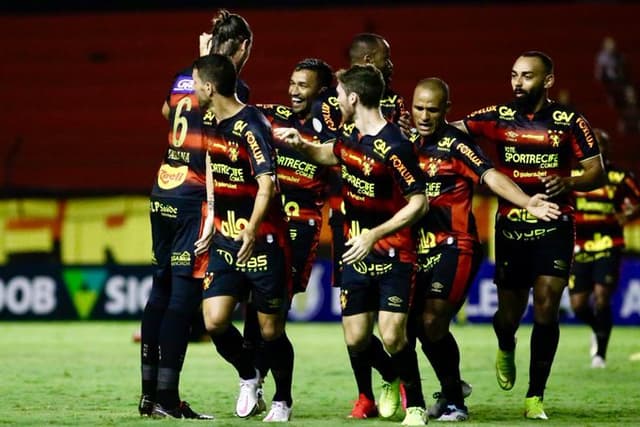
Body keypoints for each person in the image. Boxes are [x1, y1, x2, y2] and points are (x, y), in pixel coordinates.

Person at [453, 51, 606, 420]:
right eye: (513, 75)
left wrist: (567, 181)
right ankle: (506, 345)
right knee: (508, 315)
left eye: (527, 76)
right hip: (511, 225)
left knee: (548, 305)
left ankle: (535, 395)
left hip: (555, 222)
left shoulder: (570, 121)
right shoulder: (498, 117)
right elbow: (451, 129)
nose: (517, 83)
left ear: (548, 80)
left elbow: (596, 172)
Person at [276, 64, 429, 426]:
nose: (335, 99)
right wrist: (303, 146)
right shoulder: (350, 135)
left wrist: (375, 234)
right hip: (354, 250)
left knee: (392, 334)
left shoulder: (395, 145)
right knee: (357, 338)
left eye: (340, 94)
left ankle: (417, 404)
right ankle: (390, 376)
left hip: (392, 250)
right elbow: (332, 155)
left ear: (354, 97)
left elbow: (419, 202)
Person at [409, 78, 561, 421]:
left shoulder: (457, 144)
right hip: (417, 248)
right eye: (419, 108)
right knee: (415, 327)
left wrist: (526, 202)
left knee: (432, 321)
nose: (425, 116)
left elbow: (491, 176)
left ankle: (454, 403)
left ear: (447, 111)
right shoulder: (404, 143)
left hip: (456, 246)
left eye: (433, 109)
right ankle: (451, 391)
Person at [309, 33, 409, 419]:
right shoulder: (333, 105)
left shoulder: (397, 105)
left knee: (394, 322)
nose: (393, 64)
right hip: (348, 221)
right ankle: (370, 390)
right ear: (369, 61)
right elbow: (330, 150)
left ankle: (404, 383)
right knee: (355, 325)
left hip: (393, 222)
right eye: (387, 57)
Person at [193, 54, 295, 422]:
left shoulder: (252, 124)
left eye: (195, 82)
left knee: (271, 330)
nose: (192, 89)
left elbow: (267, 182)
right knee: (214, 321)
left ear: (209, 86)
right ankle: (248, 374)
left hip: (263, 240)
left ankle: (283, 399)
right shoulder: (209, 121)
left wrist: (252, 225)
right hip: (224, 239)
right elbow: (211, 171)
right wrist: (210, 220)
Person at [138, 33, 216, 422]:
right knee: (182, 299)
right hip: (192, 197)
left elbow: (167, 114)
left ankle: (148, 396)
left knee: (159, 290)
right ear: (241, 49)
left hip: (163, 188)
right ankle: (168, 399)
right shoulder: (227, 86)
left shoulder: (180, 78)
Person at [569, 128, 640, 368]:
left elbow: (637, 201)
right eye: (593, 143)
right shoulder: (574, 174)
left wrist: (628, 212)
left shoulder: (620, 176)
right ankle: (597, 326)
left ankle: (599, 353)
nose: (597, 147)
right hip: (579, 245)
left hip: (609, 243)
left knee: (601, 298)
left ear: (607, 149)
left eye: (602, 144)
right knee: (578, 305)